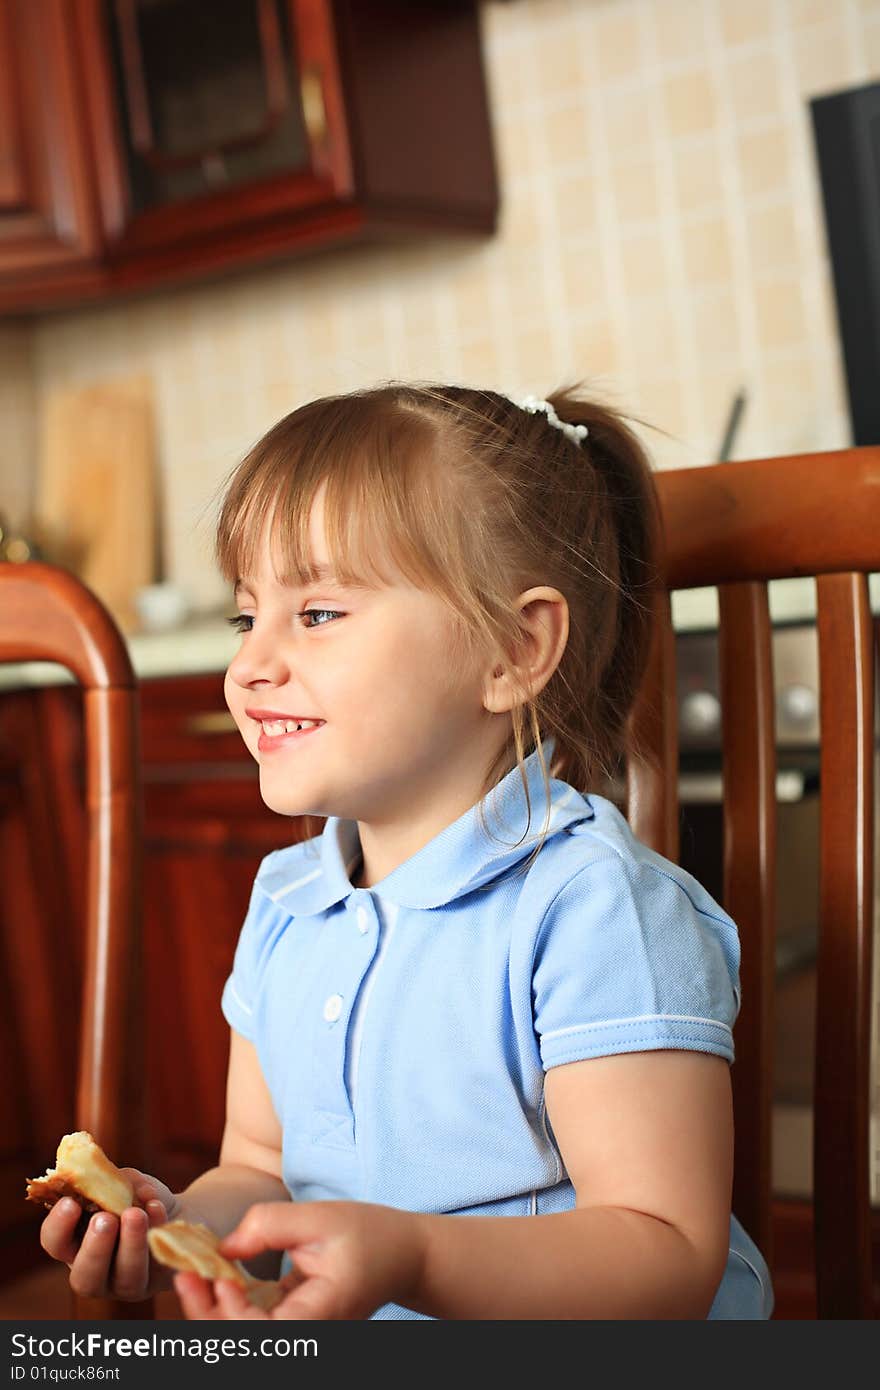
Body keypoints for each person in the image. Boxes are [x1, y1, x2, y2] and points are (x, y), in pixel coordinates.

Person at [40, 383, 773, 1320]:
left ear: (513, 647)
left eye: (317, 615)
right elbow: (261, 1168)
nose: (251, 665)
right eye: (245, 615)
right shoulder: (288, 902)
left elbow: (666, 1254)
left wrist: (416, 1257)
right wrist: (182, 1221)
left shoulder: (595, 910)